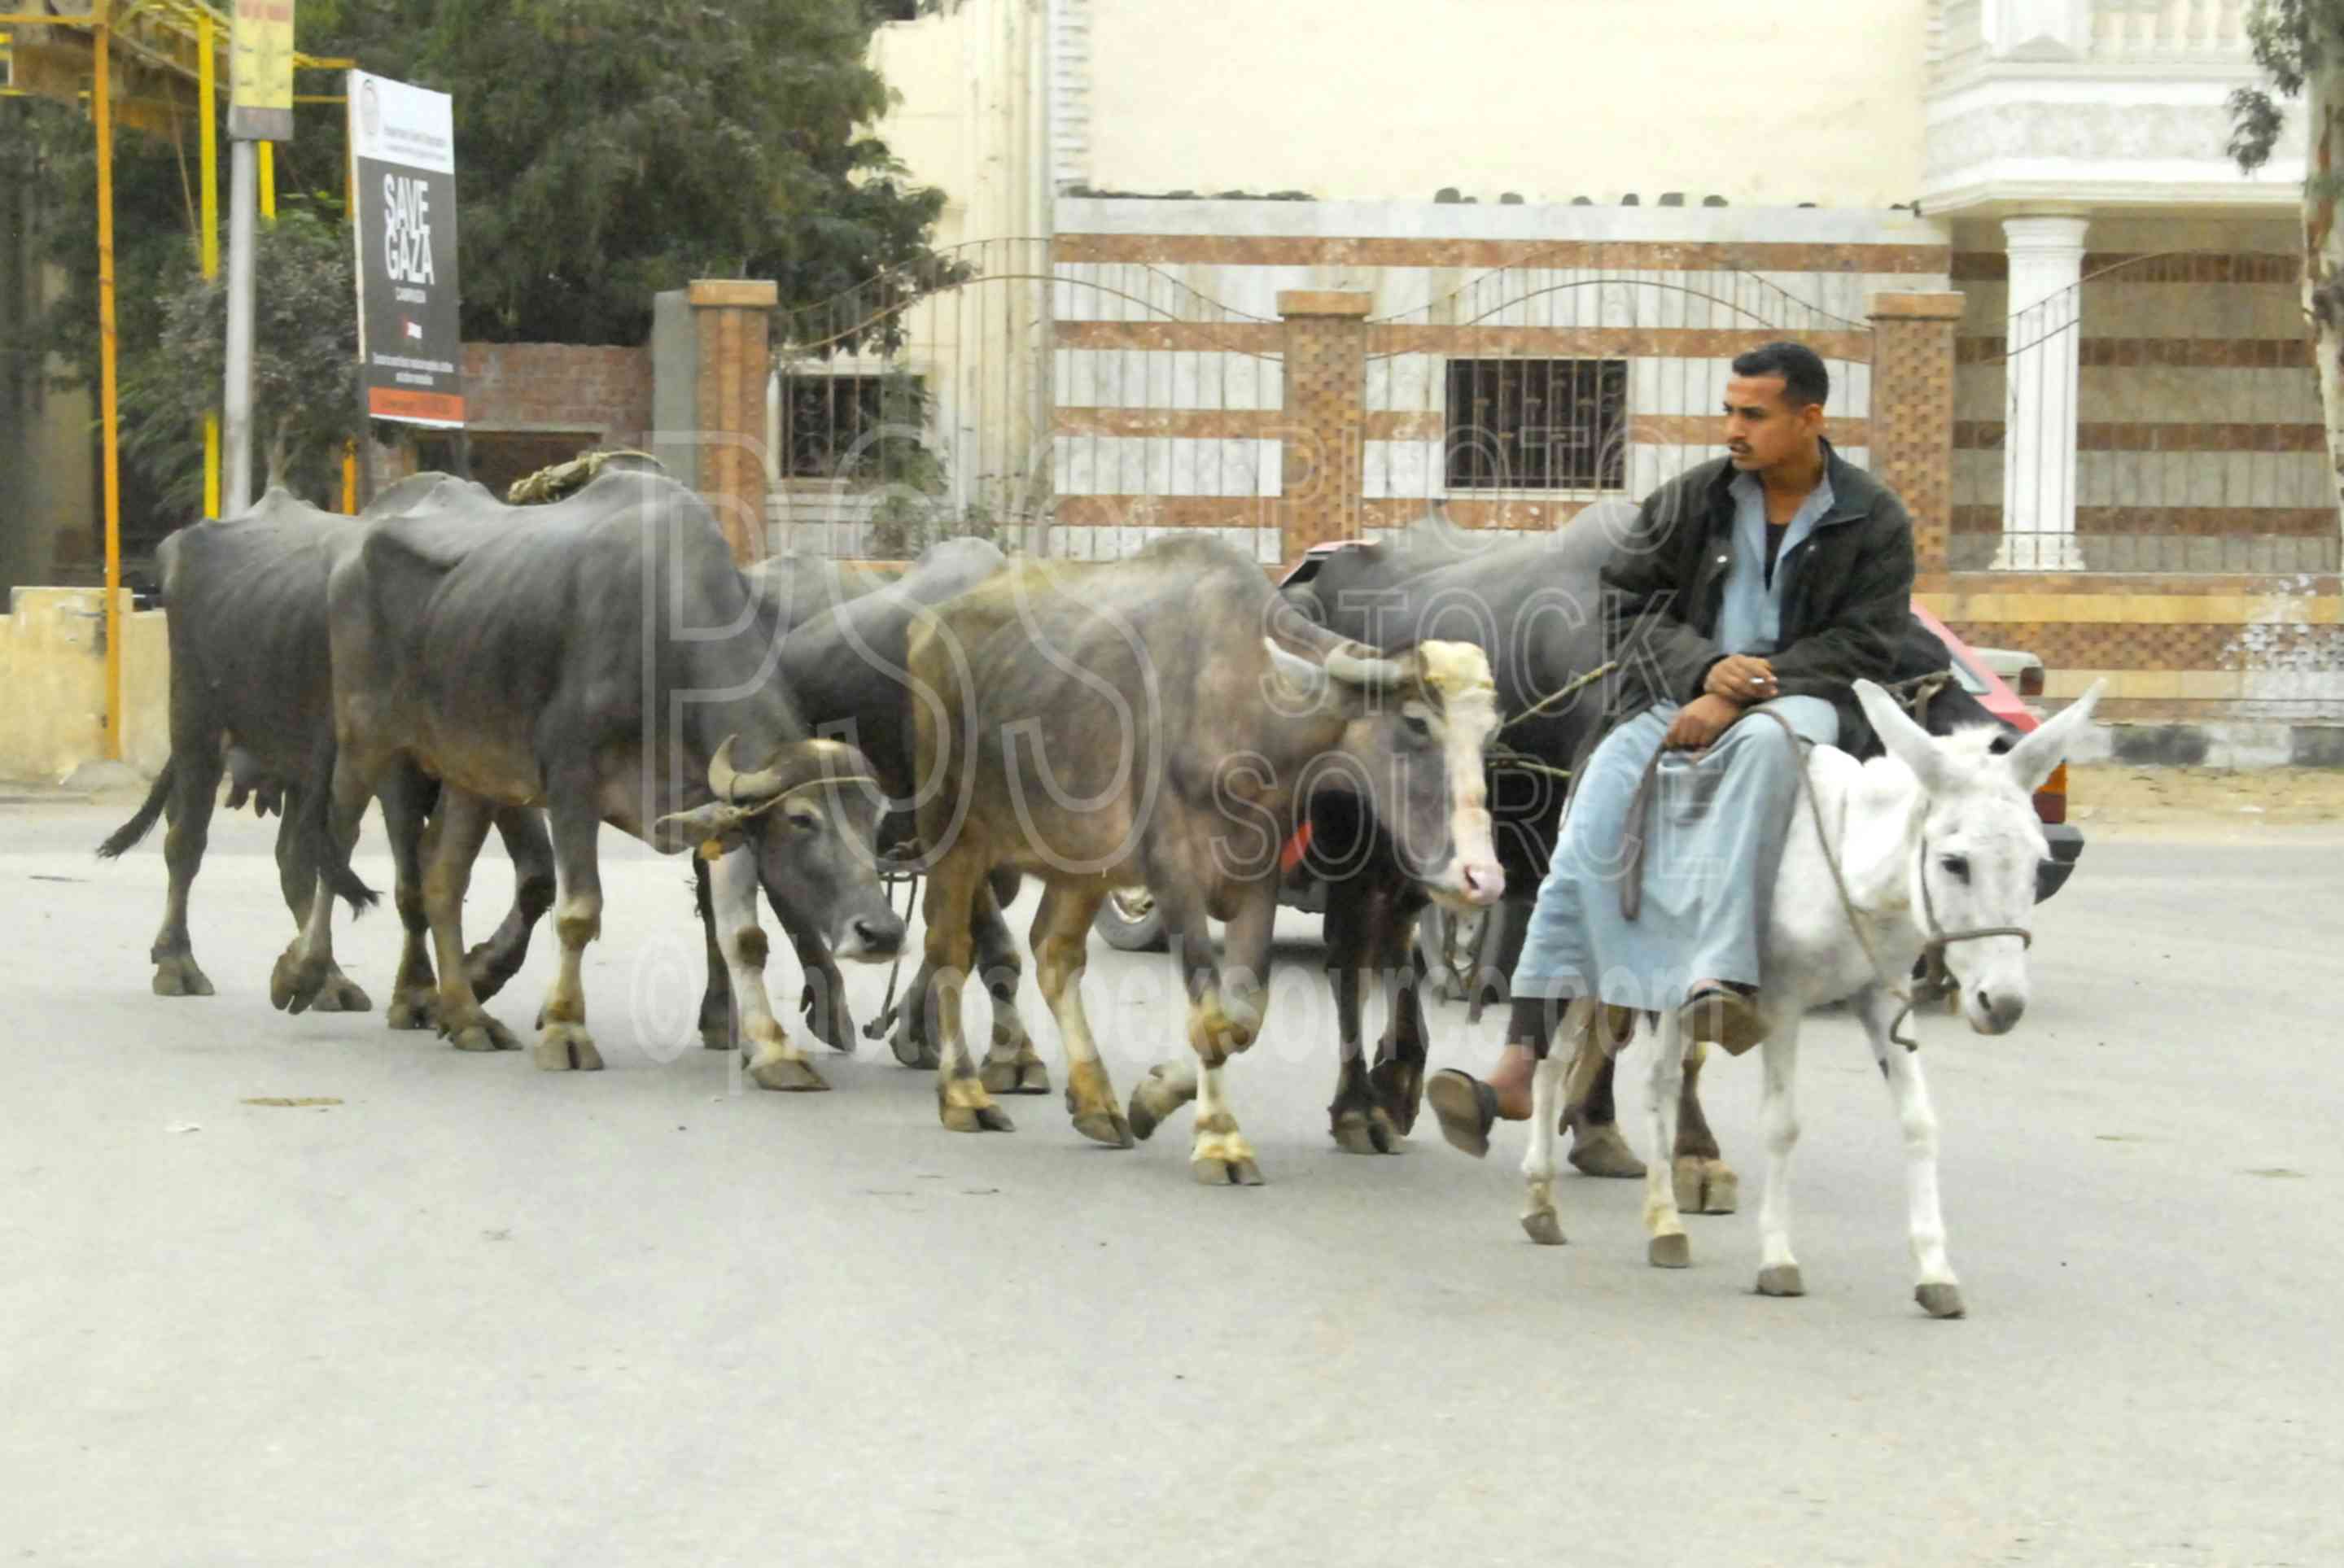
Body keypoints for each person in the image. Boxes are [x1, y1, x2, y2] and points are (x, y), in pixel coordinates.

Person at [1426, 340, 1918, 1155]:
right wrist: (1701, 672)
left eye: (1753, 414)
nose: (1733, 429)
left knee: (1762, 750)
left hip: (1799, 702)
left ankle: (1721, 979)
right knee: (1592, 812)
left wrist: (1744, 688)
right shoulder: (1695, 498)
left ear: (1810, 418)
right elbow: (1624, 602)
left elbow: (1868, 643)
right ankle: (1516, 1064)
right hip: (1672, 699)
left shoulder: (1874, 517)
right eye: (1729, 411)